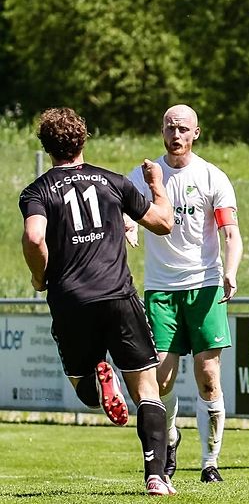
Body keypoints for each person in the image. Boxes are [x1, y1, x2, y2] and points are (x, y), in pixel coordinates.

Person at [19, 107, 176, 495]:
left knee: (84, 388)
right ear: (83, 139)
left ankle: (97, 380)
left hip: (70, 300)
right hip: (118, 295)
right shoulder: (111, 182)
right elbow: (163, 222)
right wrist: (157, 184)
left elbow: (35, 237)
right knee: (148, 391)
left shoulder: (37, 190)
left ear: (46, 146)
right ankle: (156, 476)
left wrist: (40, 276)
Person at [125, 104, 243, 484]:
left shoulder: (212, 177)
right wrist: (129, 226)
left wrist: (232, 270)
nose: (176, 135)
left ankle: (210, 462)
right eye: (170, 127)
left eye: (183, 129)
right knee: (160, 380)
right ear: (162, 131)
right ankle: (170, 437)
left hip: (205, 285)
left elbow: (230, 233)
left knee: (209, 375)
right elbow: (125, 212)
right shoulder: (143, 177)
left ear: (197, 133)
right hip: (161, 290)